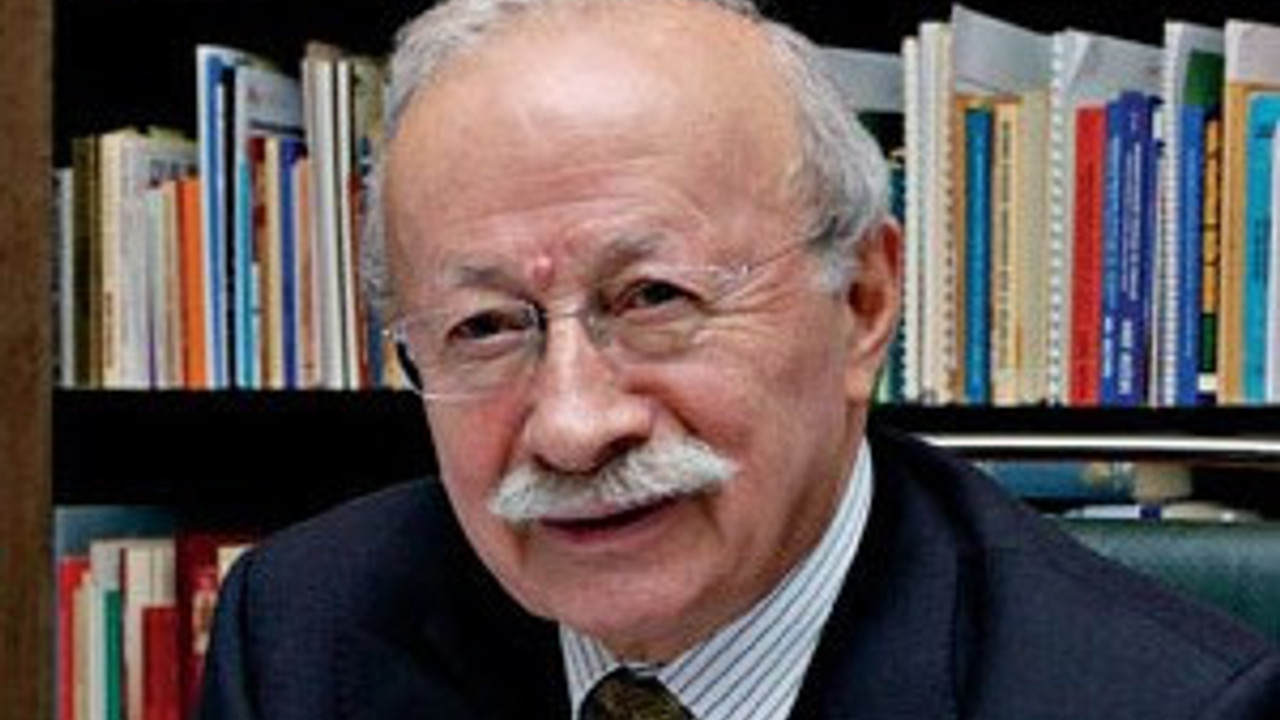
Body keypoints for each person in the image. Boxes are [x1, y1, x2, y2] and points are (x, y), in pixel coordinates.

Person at [197, 0, 1280, 717]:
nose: (572, 427)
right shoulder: (304, 633)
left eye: (653, 299)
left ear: (862, 303)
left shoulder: (1162, 704)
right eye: (484, 326)